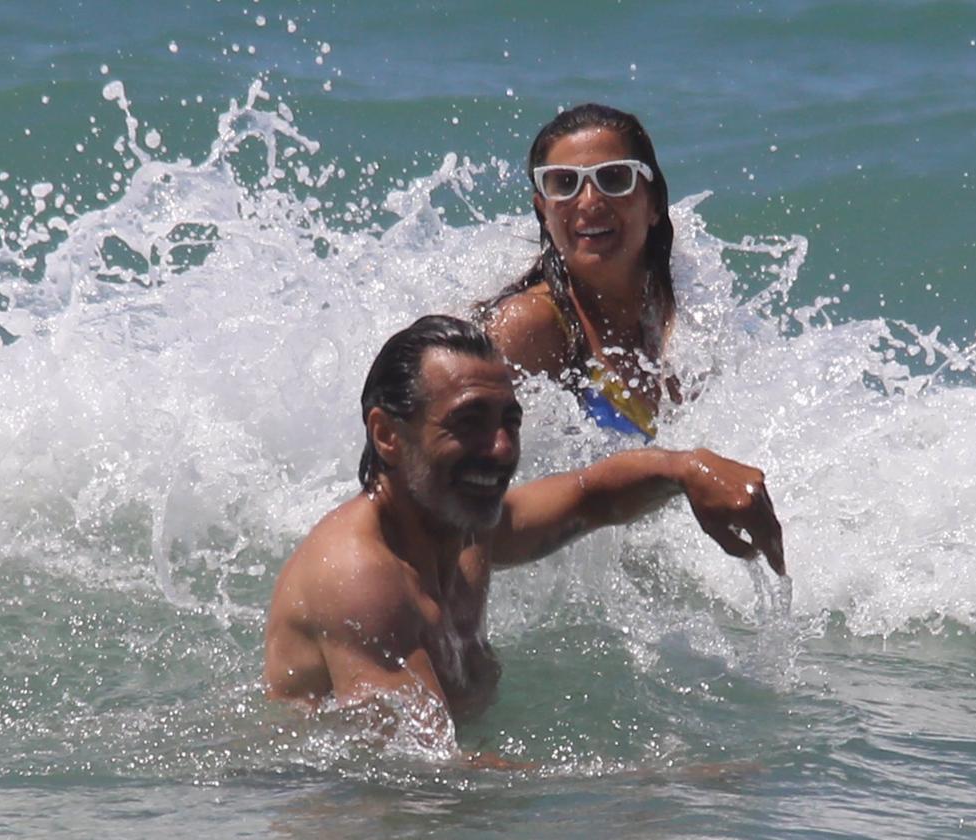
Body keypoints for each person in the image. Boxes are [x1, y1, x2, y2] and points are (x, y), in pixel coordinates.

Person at [263, 315, 784, 752]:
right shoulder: (359, 578)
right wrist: (645, 795)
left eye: (509, 422)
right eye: (468, 422)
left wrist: (687, 470)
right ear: (386, 435)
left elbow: (588, 497)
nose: (500, 449)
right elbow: (423, 774)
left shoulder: (461, 527)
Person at [477, 103, 676, 440]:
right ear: (543, 210)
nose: (588, 201)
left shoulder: (688, 316)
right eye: (565, 183)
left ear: (654, 202)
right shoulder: (530, 327)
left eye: (614, 178)